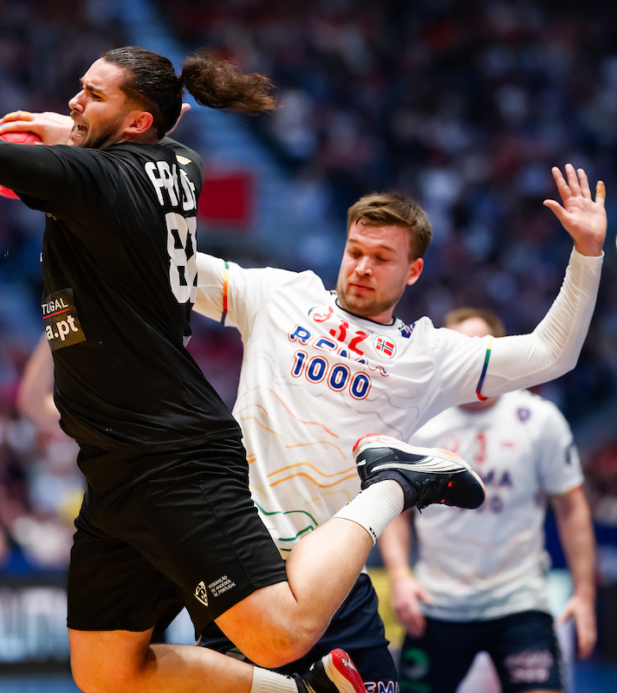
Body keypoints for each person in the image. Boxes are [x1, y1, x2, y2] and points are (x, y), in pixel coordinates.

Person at [0, 46, 488, 693]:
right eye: (80, 89)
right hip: (116, 463)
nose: (74, 100)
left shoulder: (94, 178)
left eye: (93, 94)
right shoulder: (180, 167)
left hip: (172, 453)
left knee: (282, 632)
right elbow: (149, 146)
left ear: (138, 119)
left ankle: (394, 482)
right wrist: (68, 129)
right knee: (108, 673)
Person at [182, 168, 605, 691]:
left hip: (338, 578)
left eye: (382, 258)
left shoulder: (427, 355)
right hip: (250, 562)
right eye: (355, 251)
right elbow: (173, 265)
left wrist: (587, 252)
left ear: (414, 270)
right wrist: (105, 171)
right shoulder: (278, 295)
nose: (362, 267)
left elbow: (551, 353)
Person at [378, 308, 596, 693]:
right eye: (456, 349)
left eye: (477, 349)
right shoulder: (420, 422)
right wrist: (400, 576)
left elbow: (571, 507)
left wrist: (584, 594)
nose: (467, 359)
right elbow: (394, 509)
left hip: (519, 602)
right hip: (436, 603)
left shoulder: (539, 419)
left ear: (501, 354)